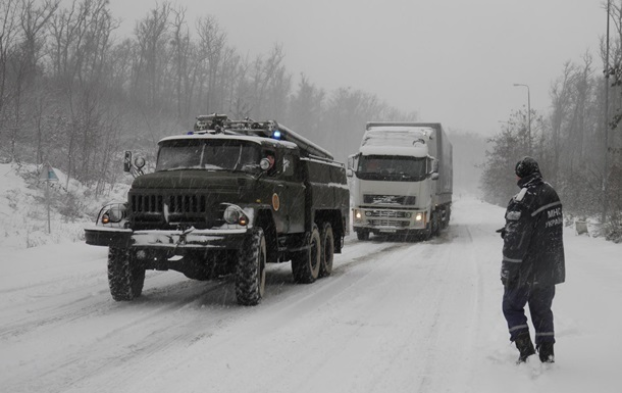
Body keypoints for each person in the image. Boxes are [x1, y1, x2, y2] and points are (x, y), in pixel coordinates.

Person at [499, 156, 565, 364]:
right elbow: (544, 227)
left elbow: (515, 243)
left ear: (520, 174)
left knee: (511, 306)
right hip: (549, 267)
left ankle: (526, 353)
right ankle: (547, 355)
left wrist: (508, 271)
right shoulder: (550, 192)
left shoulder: (523, 198)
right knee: (542, 308)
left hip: (527, 270)